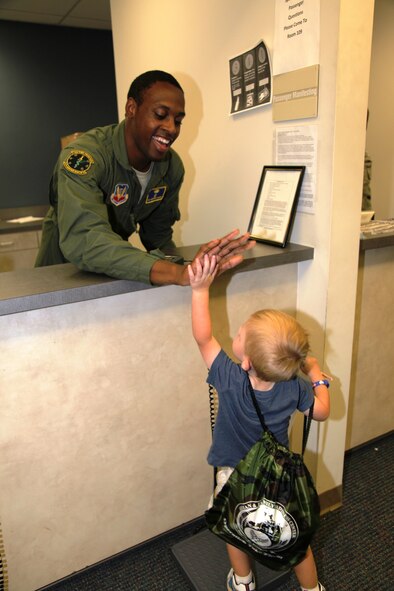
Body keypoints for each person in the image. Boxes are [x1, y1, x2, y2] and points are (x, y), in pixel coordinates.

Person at [188, 254, 330, 591]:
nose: (233, 336)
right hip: (275, 476)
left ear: (246, 360)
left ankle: (243, 580)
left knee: (234, 525)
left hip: (232, 471)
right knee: (295, 540)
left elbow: (203, 338)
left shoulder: (229, 377)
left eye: (238, 334)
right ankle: (312, 589)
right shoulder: (294, 386)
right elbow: (321, 412)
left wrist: (199, 290)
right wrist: (316, 375)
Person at [35, 70, 254, 285]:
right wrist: (175, 274)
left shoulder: (170, 167)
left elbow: (157, 238)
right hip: (62, 275)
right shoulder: (85, 157)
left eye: (178, 121)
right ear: (131, 108)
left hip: (111, 271)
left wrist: (194, 267)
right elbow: (85, 239)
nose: (171, 128)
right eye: (160, 115)